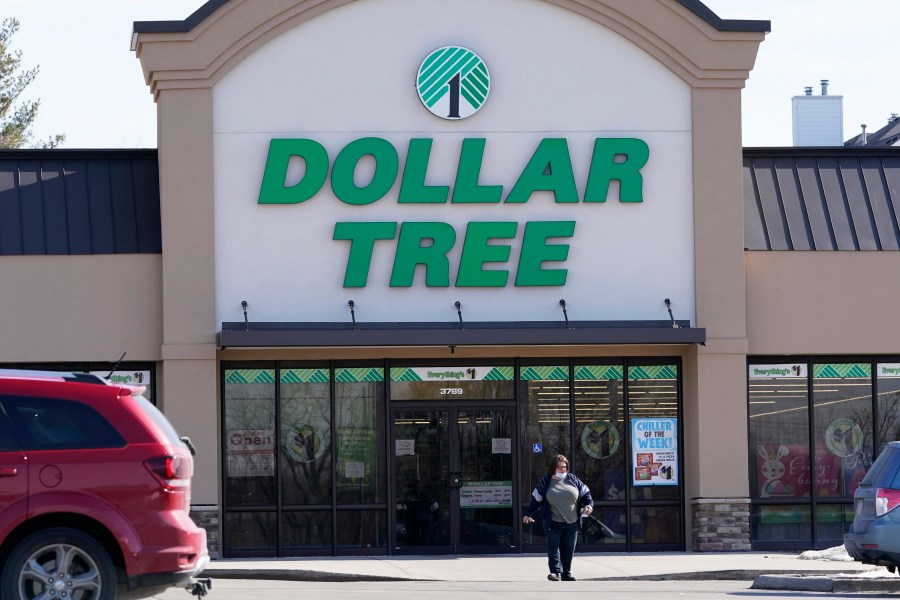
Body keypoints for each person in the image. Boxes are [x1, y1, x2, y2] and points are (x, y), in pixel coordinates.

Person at [522, 454, 593, 581]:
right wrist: (528, 513)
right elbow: (536, 500)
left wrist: (589, 504)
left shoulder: (573, 479)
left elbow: (585, 493)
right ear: (553, 468)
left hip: (573, 522)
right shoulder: (545, 481)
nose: (563, 470)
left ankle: (566, 573)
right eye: (560, 467)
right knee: (553, 547)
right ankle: (555, 572)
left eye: (565, 467)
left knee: (568, 549)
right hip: (553, 521)